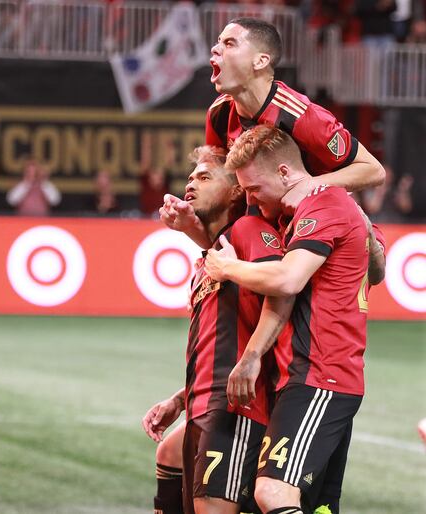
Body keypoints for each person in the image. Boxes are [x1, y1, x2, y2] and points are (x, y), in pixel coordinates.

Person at [203, 124, 384, 514]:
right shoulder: (304, 213)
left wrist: (228, 269)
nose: (251, 199)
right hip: (305, 376)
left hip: (322, 375)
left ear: (285, 172)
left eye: (254, 189)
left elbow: (287, 279)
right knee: (315, 506)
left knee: (272, 493)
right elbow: (376, 269)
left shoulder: (325, 203)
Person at [143, 145, 295, 514]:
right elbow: (216, 340)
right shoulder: (212, 256)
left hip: (234, 406)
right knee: (169, 453)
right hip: (203, 403)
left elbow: (282, 292)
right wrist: (180, 399)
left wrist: (252, 358)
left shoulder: (248, 231)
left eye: (205, 176)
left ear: (236, 190)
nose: (190, 184)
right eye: (190, 177)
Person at [162, 17, 385, 250]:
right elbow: (224, 195)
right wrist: (189, 223)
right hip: (267, 234)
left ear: (260, 61)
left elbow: (373, 170)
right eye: (218, 42)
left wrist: (309, 185)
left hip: (322, 233)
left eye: (229, 43)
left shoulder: (301, 116)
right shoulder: (219, 113)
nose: (215, 48)